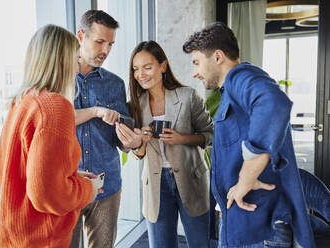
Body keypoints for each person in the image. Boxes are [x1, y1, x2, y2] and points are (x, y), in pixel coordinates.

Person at [183, 22, 315, 247]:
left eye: (197, 63)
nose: (195, 72)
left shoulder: (239, 77)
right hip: (246, 222)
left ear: (217, 57)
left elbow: (273, 103)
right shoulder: (230, 92)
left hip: (258, 226)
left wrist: (246, 178)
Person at [0, 24, 99, 248]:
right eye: (75, 59)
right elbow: (46, 195)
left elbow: (19, 167)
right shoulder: (55, 107)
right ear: (62, 61)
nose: (77, 69)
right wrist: (89, 190)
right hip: (39, 240)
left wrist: (68, 172)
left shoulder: (21, 102)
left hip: (9, 235)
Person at [115, 40, 213, 248]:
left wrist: (182, 139)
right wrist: (139, 142)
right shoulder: (133, 106)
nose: (141, 74)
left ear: (163, 66)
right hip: (156, 185)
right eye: (136, 69)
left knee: (199, 244)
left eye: (147, 67)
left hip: (191, 180)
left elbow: (211, 134)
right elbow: (138, 154)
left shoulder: (188, 97)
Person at [70, 10, 142, 248]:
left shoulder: (115, 84)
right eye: (100, 41)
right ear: (81, 35)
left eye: (110, 44)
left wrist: (130, 143)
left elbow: (119, 138)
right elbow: (54, 121)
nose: (106, 50)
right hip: (67, 185)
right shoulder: (59, 78)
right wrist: (95, 110)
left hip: (106, 186)